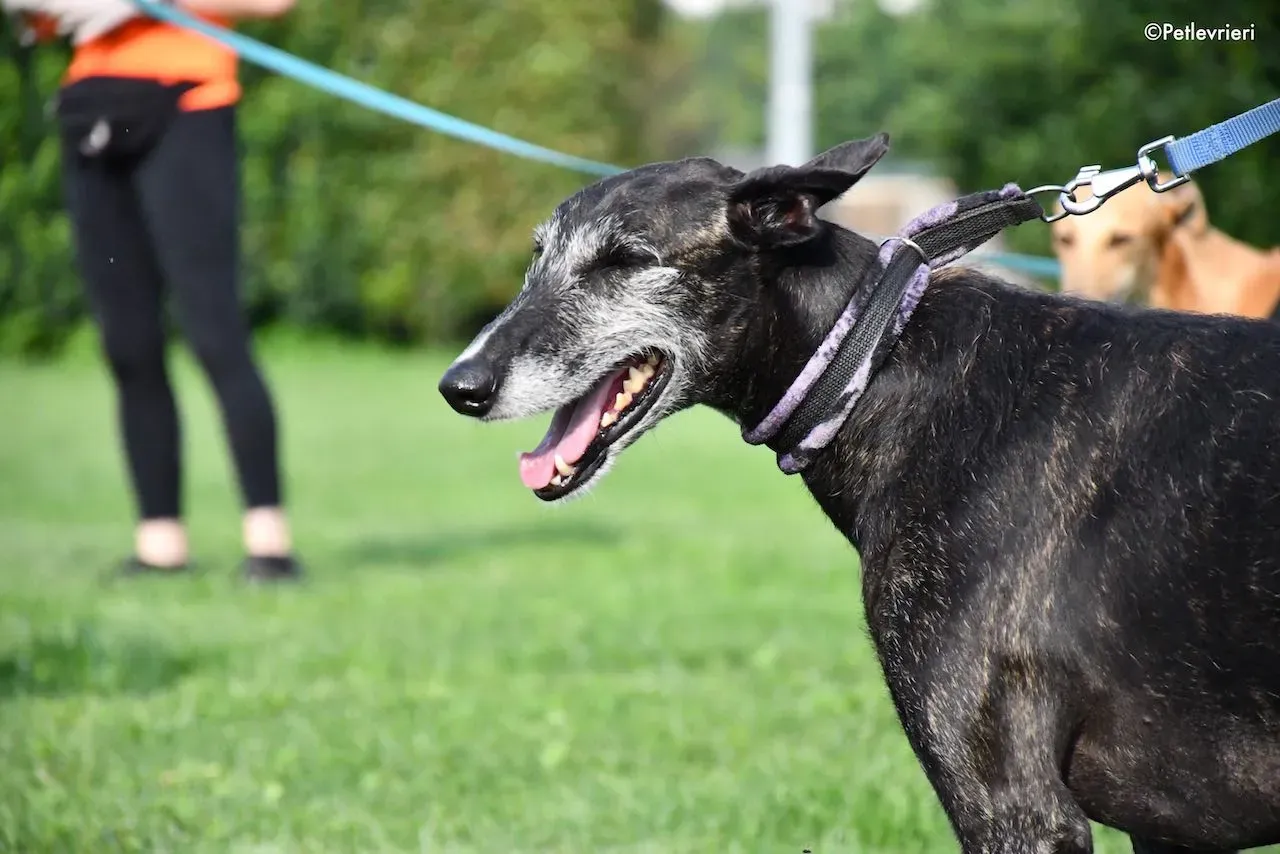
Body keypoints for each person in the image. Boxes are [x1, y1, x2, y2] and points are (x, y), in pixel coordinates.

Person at [4, 0, 303, 581]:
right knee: (127, 341)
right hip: (91, 106)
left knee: (215, 332)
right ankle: (160, 545)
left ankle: (269, 545)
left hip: (187, 105)